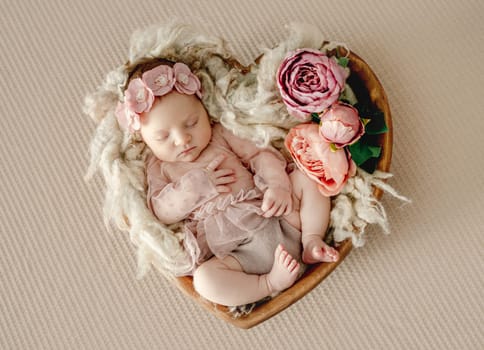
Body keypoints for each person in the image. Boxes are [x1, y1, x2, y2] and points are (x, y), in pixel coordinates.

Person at [115, 60, 339, 306]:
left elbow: (258, 155)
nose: (182, 139)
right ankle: (269, 283)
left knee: (306, 176)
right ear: (145, 139)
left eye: (192, 123)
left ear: (204, 110)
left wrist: (278, 186)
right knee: (205, 280)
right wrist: (196, 186)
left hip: (279, 218)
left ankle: (312, 239)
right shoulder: (159, 167)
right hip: (239, 255)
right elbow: (161, 211)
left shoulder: (220, 135)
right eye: (163, 136)